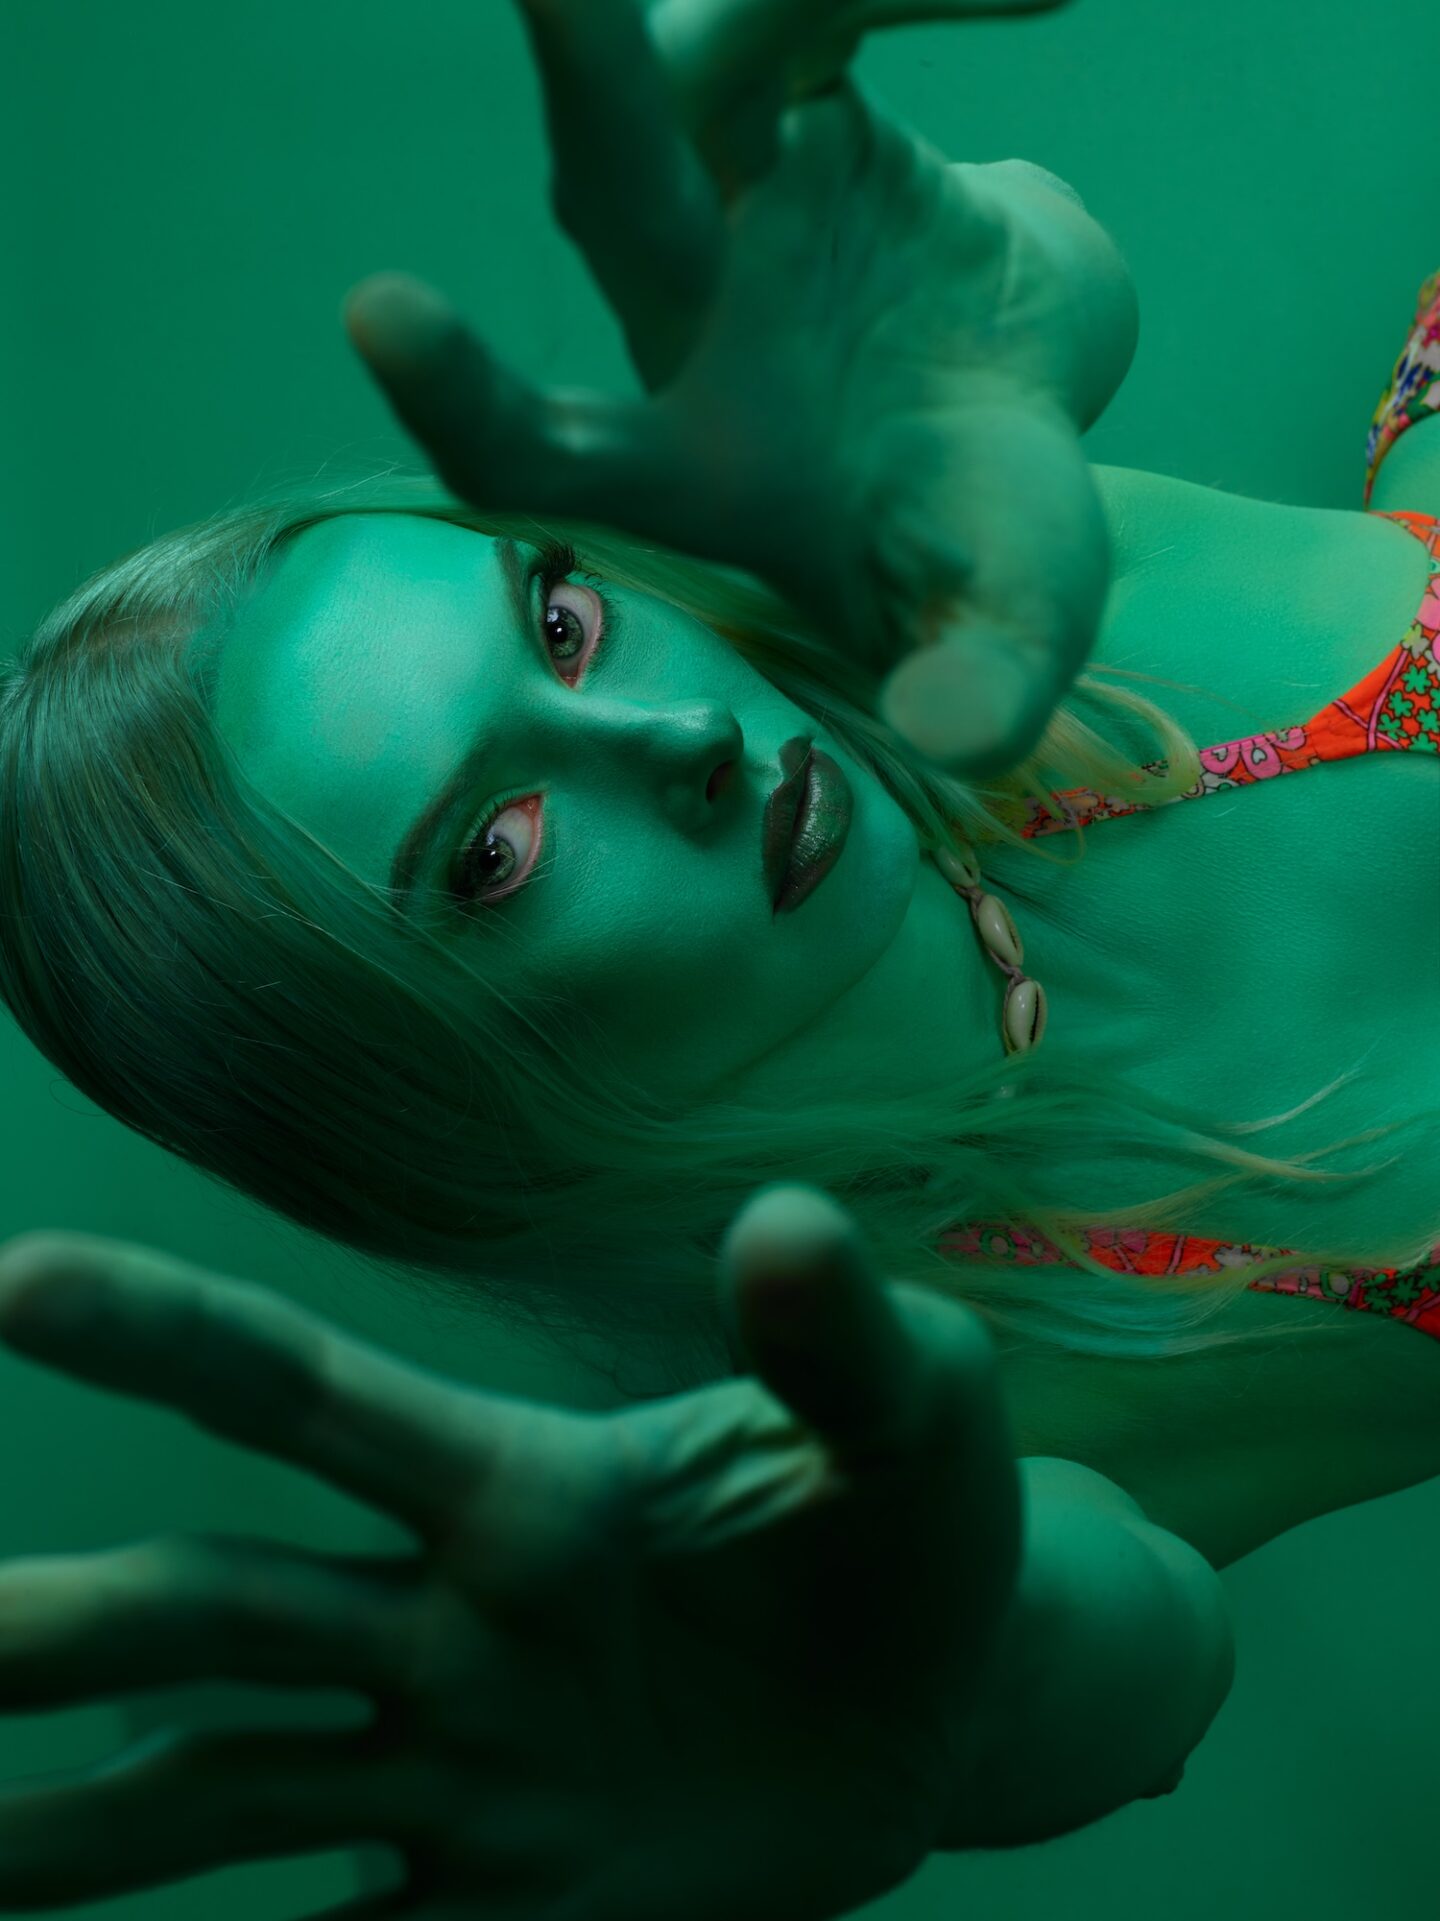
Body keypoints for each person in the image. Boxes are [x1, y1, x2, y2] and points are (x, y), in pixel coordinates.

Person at [0, 0, 1433, 1909]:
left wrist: (1021, 264)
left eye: (562, 622)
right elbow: (1091, 1661)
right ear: (442, 1109)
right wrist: (932, 1706)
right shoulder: (927, 1425)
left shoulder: (893, 600)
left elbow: (1042, 275)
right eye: (497, 851)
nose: (675, 734)